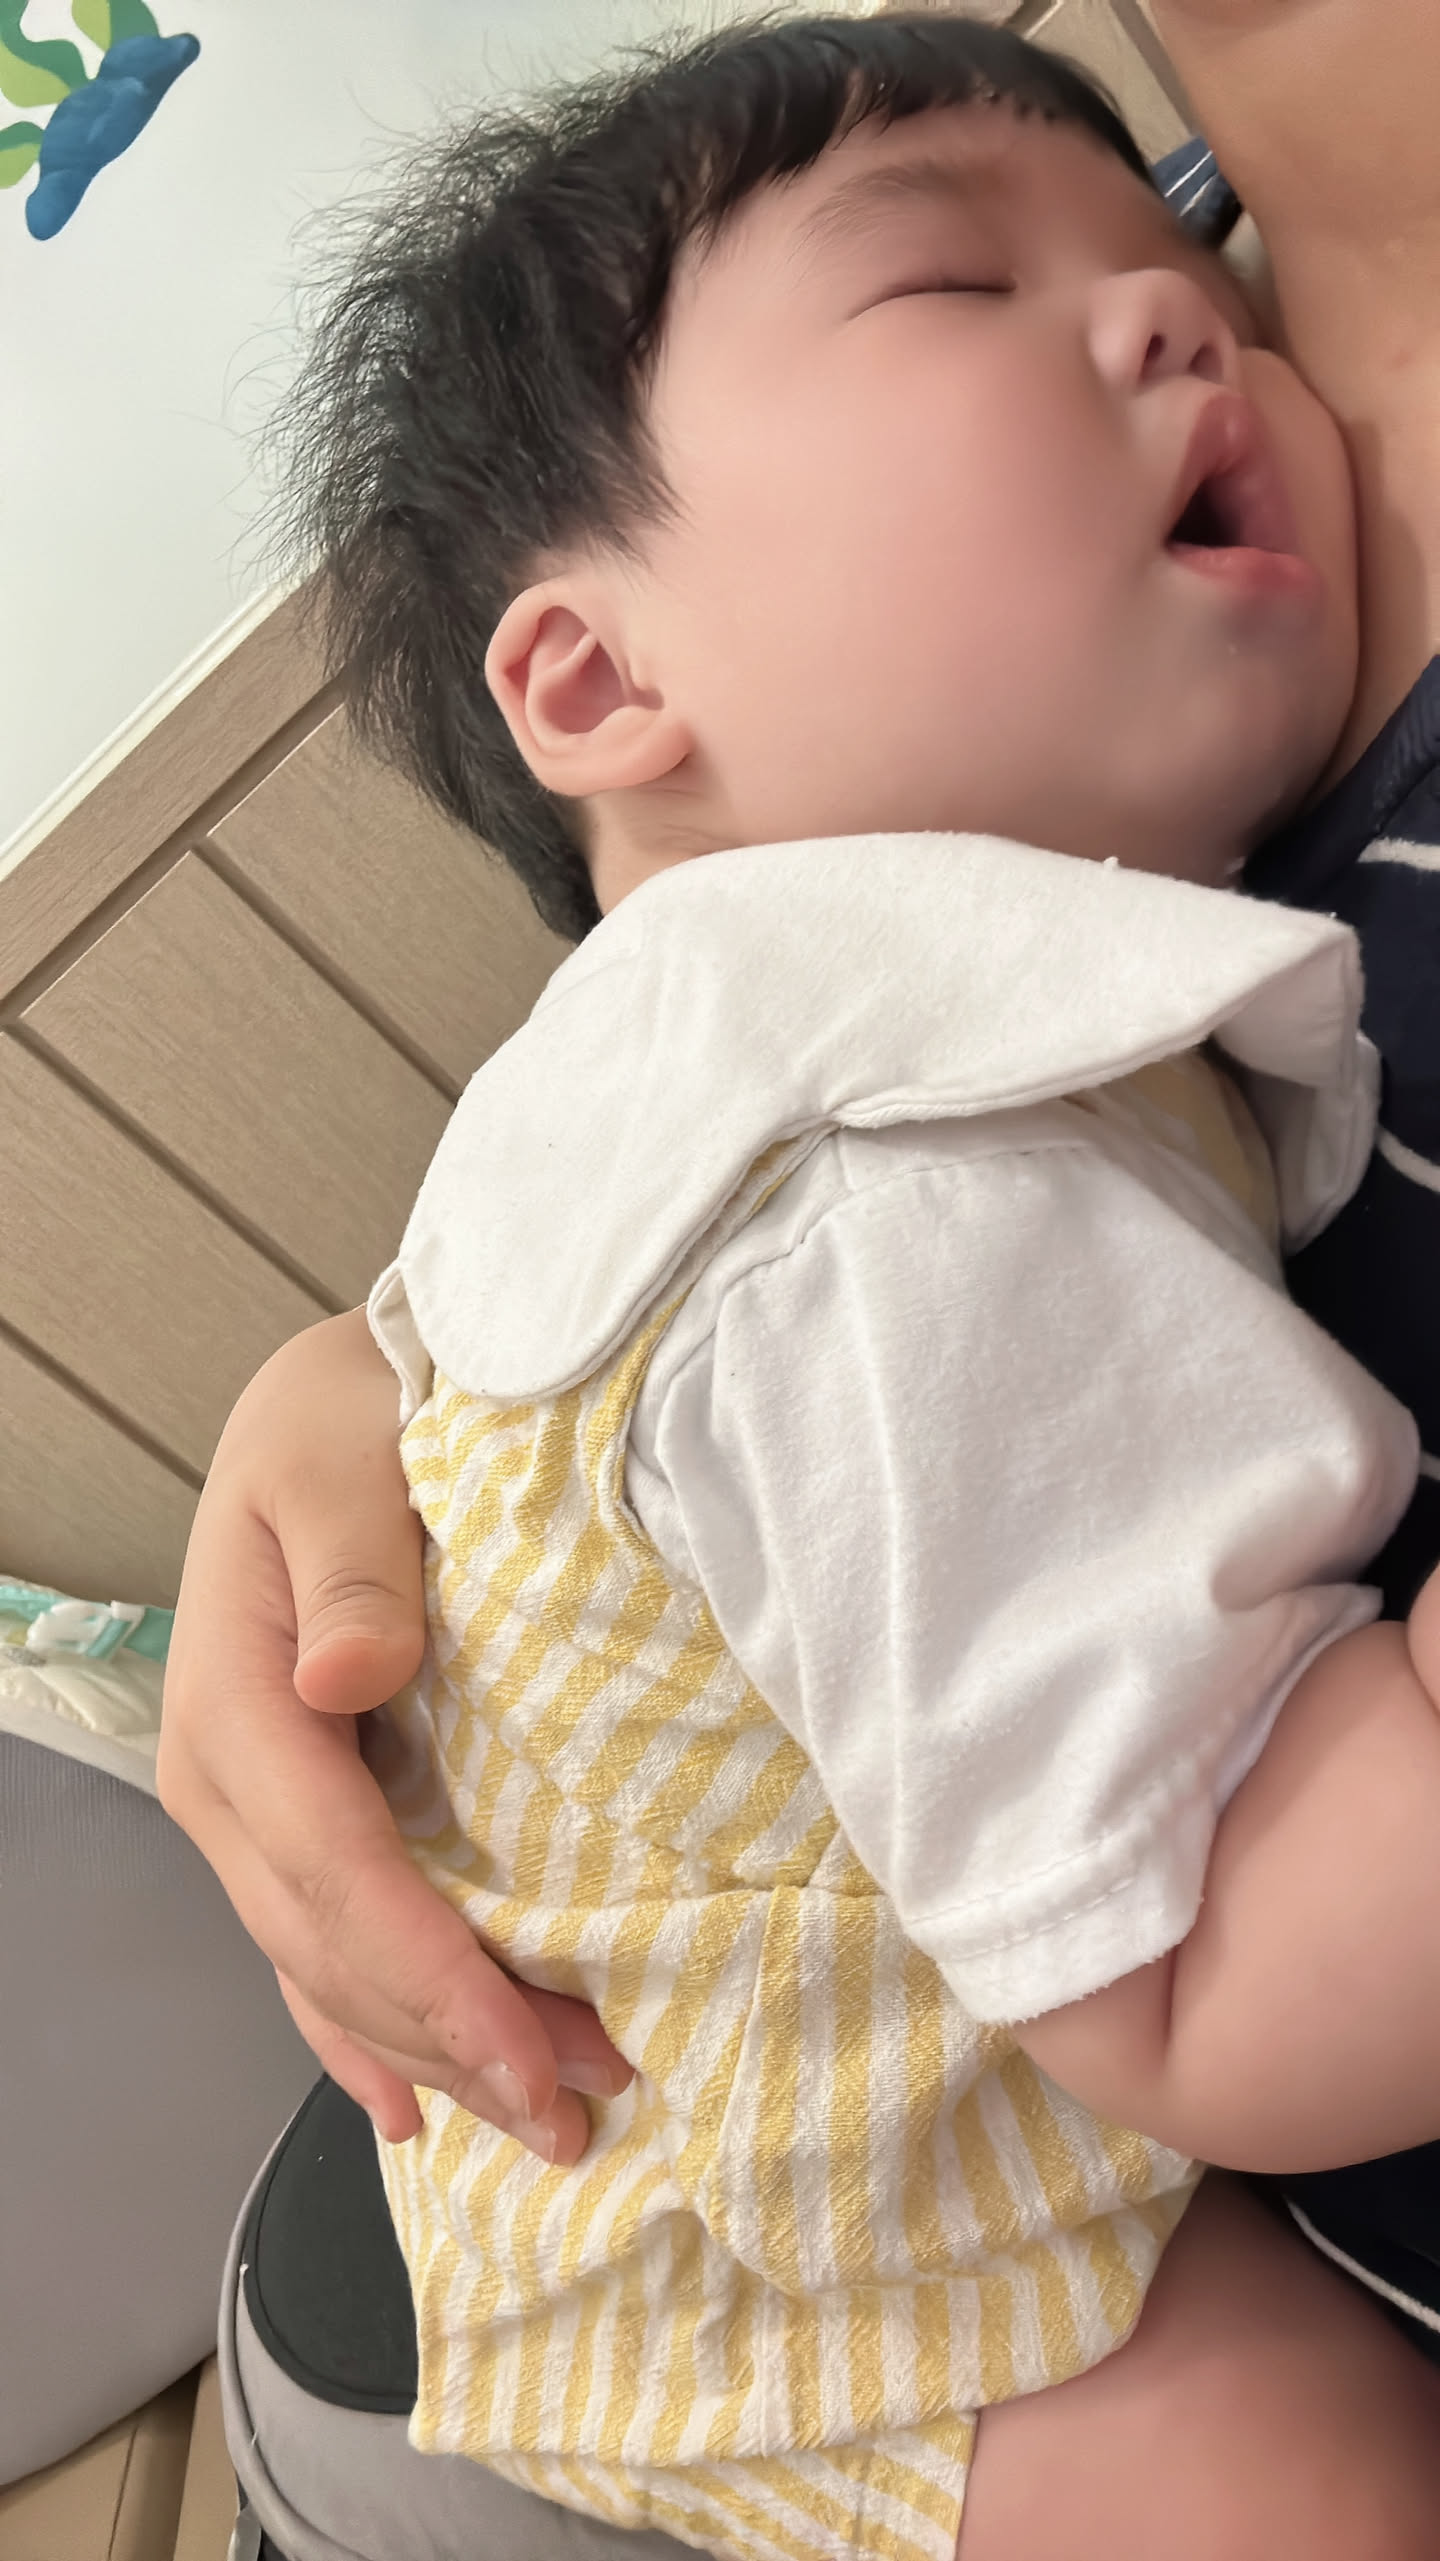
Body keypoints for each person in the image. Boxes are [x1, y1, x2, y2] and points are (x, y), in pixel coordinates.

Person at [158, 8, 1440, 2556]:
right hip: (777, 2237)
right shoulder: (875, 1199)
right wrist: (340, 1403)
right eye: (961, 287)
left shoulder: (887, 1000)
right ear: (600, 678)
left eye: (1183, 272)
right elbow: (1219, 1981)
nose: (1178, 315)